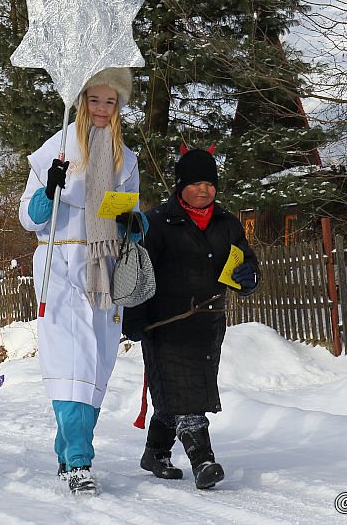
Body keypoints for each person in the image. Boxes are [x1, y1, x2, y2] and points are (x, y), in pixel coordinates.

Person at [18, 67, 145, 495]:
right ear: (82, 100)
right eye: (96, 100)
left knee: (96, 363)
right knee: (69, 362)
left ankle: (66, 445)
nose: (103, 110)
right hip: (58, 261)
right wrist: (47, 192)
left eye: (111, 102)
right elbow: (28, 217)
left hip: (104, 263)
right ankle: (78, 459)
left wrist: (132, 220)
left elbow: (132, 218)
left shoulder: (125, 159)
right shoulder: (54, 149)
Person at [122, 145, 260, 490]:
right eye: (196, 183)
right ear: (180, 185)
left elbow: (246, 262)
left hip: (208, 325)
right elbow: (139, 273)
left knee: (180, 392)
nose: (204, 190)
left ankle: (155, 453)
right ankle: (203, 461)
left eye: (210, 183)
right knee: (186, 396)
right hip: (165, 324)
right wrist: (134, 319)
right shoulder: (156, 223)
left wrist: (248, 277)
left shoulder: (228, 223)